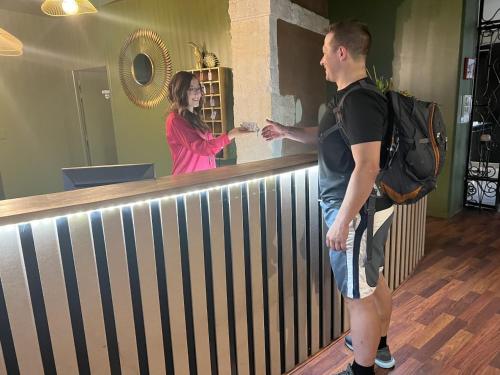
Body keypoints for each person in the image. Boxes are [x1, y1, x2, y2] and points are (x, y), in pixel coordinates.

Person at [262, 20, 395, 375]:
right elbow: (327, 137)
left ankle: (361, 369)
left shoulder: (360, 101)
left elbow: (366, 166)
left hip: (356, 209)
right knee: (371, 278)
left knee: (357, 296)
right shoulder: (351, 99)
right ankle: (379, 348)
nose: (321, 60)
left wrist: (341, 220)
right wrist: (285, 130)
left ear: (341, 52)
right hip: (367, 207)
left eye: (324, 52)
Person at [165, 71, 249, 175]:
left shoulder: (195, 117)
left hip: (204, 180)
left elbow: (209, 147)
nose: (197, 93)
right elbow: (203, 148)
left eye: (198, 88)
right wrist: (231, 135)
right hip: (187, 184)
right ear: (180, 91)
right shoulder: (175, 120)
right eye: (191, 89)